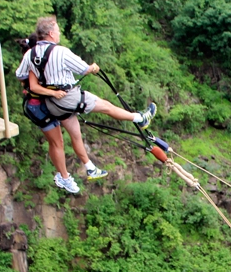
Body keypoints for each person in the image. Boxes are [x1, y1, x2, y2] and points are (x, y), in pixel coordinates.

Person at [16, 15, 157, 194]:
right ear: (51, 33)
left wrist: (44, 84)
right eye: (57, 30)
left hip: (52, 105)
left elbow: (21, 75)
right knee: (106, 106)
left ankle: (90, 167)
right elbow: (83, 69)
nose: (59, 33)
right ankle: (140, 118)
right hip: (68, 97)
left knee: (75, 135)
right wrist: (93, 68)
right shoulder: (61, 52)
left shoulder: (30, 54)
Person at [16, 35, 82, 195]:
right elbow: (34, 87)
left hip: (42, 106)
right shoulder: (35, 65)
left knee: (56, 142)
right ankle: (64, 177)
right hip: (38, 107)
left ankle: (63, 175)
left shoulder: (32, 62)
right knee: (57, 142)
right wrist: (54, 93)